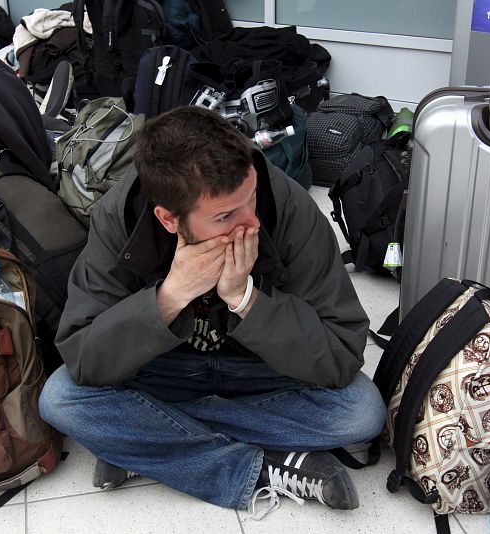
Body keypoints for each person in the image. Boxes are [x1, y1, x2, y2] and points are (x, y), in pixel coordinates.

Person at [39, 106, 387, 518]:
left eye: (251, 198)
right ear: (168, 219)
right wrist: (169, 297)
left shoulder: (288, 205)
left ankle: (146, 443)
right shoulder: (120, 216)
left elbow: (341, 352)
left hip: (262, 370)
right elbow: (82, 356)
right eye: (225, 216)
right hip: (163, 371)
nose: (251, 223)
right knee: (60, 400)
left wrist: (246, 299)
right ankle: (262, 468)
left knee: (362, 413)